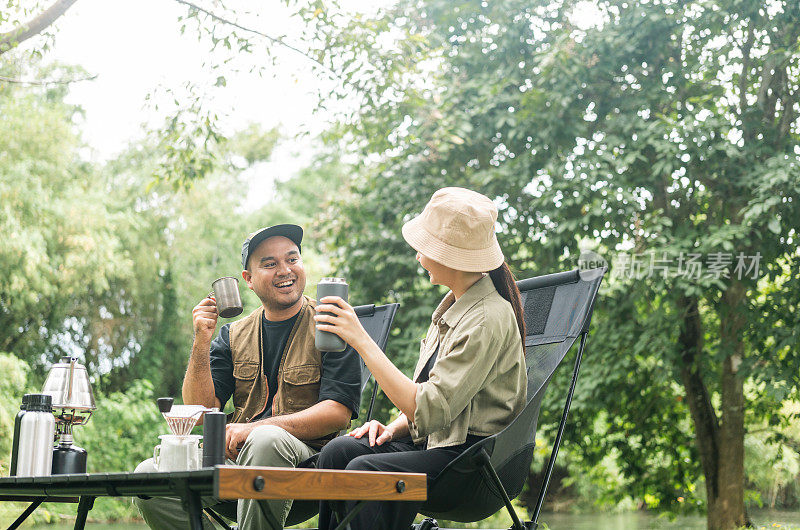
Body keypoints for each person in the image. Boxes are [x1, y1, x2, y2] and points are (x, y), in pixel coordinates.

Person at [313, 187, 528, 530]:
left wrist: (360, 339)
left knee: (365, 471)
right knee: (338, 453)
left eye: (424, 246)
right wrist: (392, 428)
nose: (417, 254)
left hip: (471, 463)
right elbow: (434, 396)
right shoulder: (453, 309)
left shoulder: (487, 318)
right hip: (440, 444)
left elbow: (431, 407)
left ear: (450, 256)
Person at [134, 224, 362, 530]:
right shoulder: (232, 334)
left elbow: (337, 413)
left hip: (309, 464)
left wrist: (251, 429)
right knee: (147, 475)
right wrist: (201, 342)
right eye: (270, 264)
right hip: (234, 463)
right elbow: (201, 411)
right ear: (249, 280)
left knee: (265, 439)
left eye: (292, 259)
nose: (285, 270)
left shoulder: (331, 322)